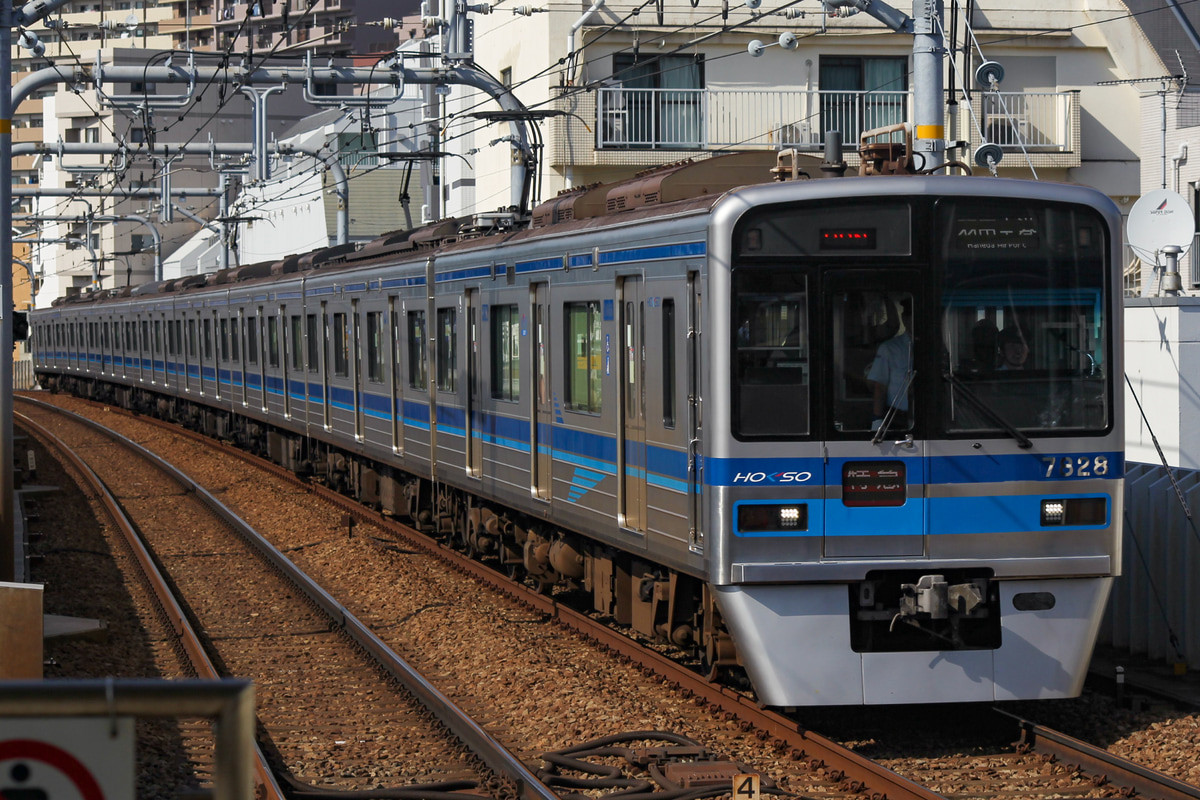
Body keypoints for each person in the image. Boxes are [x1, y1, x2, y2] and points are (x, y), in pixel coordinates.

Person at [867, 296, 913, 431]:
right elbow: (880, 386)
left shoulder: (935, 347)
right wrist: (877, 420)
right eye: (911, 316)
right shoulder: (889, 348)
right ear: (904, 318)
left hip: (931, 416)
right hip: (898, 417)